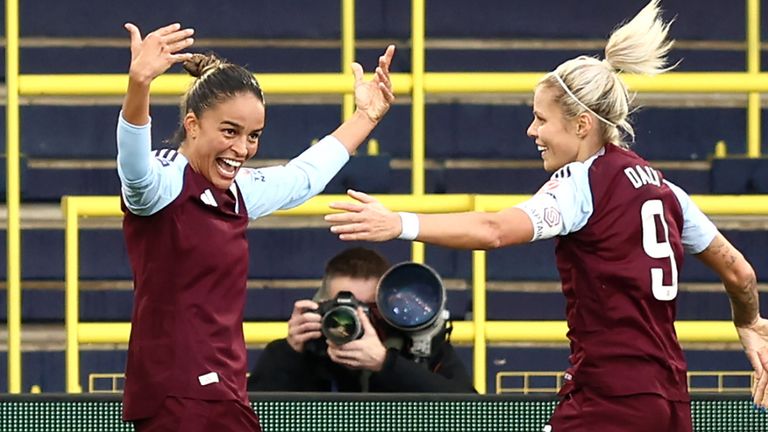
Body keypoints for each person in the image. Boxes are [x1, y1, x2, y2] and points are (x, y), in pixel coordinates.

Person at [324, 1, 768, 430]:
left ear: (581, 126)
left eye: (540, 119)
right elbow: (740, 273)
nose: (531, 131)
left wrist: (401, 222)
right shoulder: (665, 188)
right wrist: (749, 322)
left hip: (608, 401)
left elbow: (494, 230)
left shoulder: (581, 183)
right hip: (671, 402)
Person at [117, 21, 395, 431]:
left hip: (226, 393)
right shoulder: (164, 183)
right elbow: (135, 170)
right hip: (176, 397)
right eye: (230, 132)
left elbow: (303, 177)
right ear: (192, 125)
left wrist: (366, 117)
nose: (242, 149)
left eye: (253, 136)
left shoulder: (237, 192)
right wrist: (139, 85)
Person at [247, 247, 475, 393]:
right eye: (343, 307)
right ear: (322, 304)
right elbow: (247, 418)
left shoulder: (416, 348)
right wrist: (289, 353)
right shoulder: (305, 348)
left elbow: (472, 412)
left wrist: (386, 364)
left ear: (387, 307)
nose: (356, 319)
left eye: (369, 309)